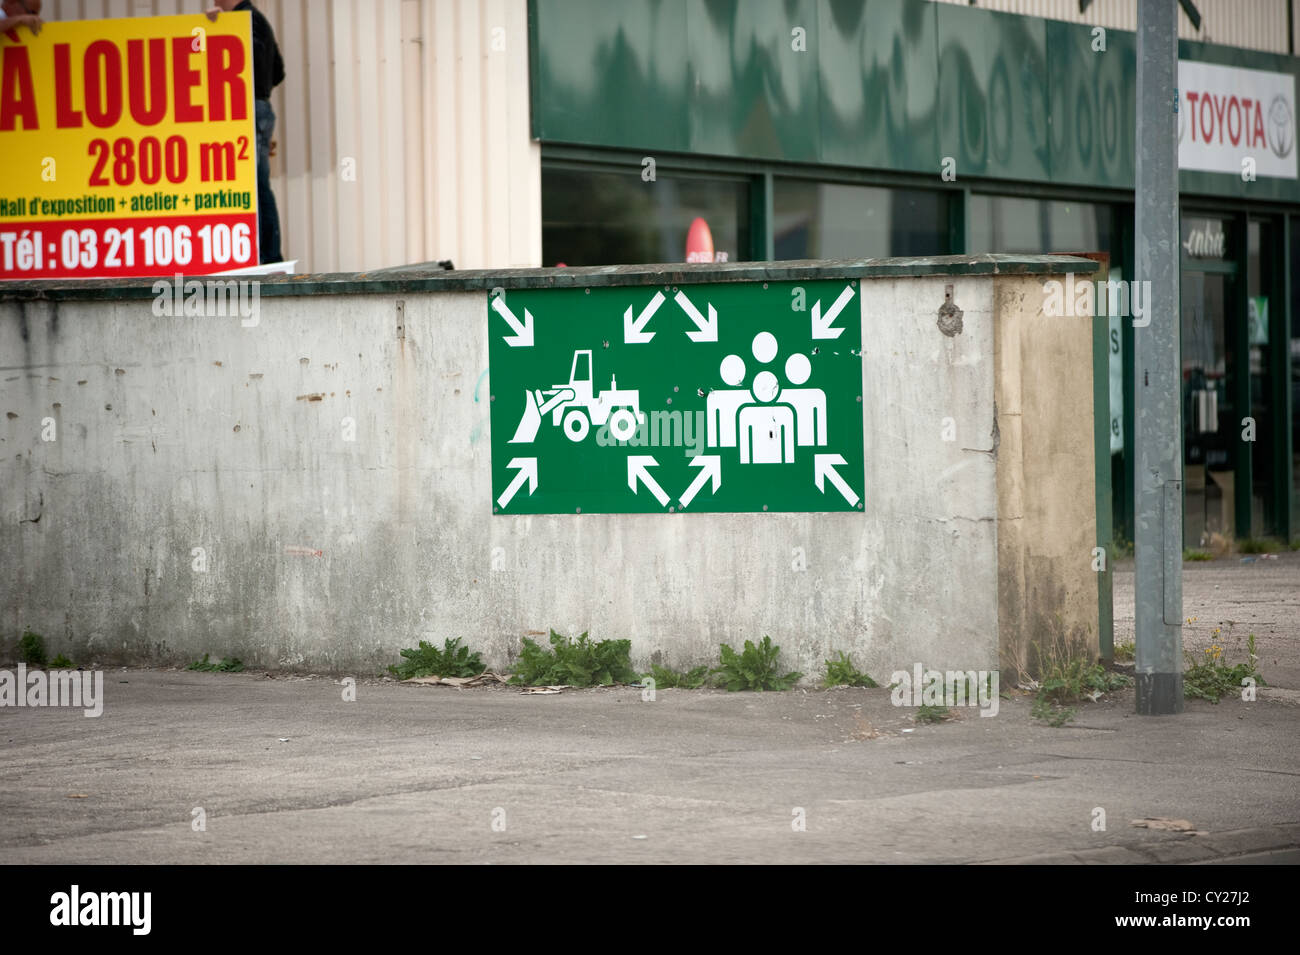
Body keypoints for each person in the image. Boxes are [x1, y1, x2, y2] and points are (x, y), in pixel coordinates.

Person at [207, 0, 285, 263]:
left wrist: (214, 29)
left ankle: (266, 255)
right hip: (261, 107)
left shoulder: (238, 22)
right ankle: (267, 254)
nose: (214, 2)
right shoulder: (261, 22)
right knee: (259, 183)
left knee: (255, 185)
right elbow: (278, 72)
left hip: (246, 109)